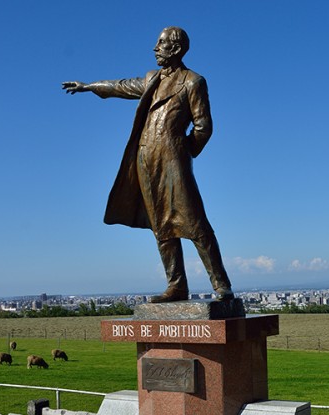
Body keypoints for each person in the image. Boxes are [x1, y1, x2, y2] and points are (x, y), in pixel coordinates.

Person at [62, 27, 233, 303]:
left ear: (176, 49)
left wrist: (182, 151)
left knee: (195, 222)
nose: (155, 47)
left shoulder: (193, 82)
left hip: (174, 161)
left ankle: (221, 284)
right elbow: (121, 86)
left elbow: (203, 127)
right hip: (146, 162)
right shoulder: (152, 79)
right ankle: (176, 285)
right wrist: (89, 86)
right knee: (161, 226)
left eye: (161, 43)